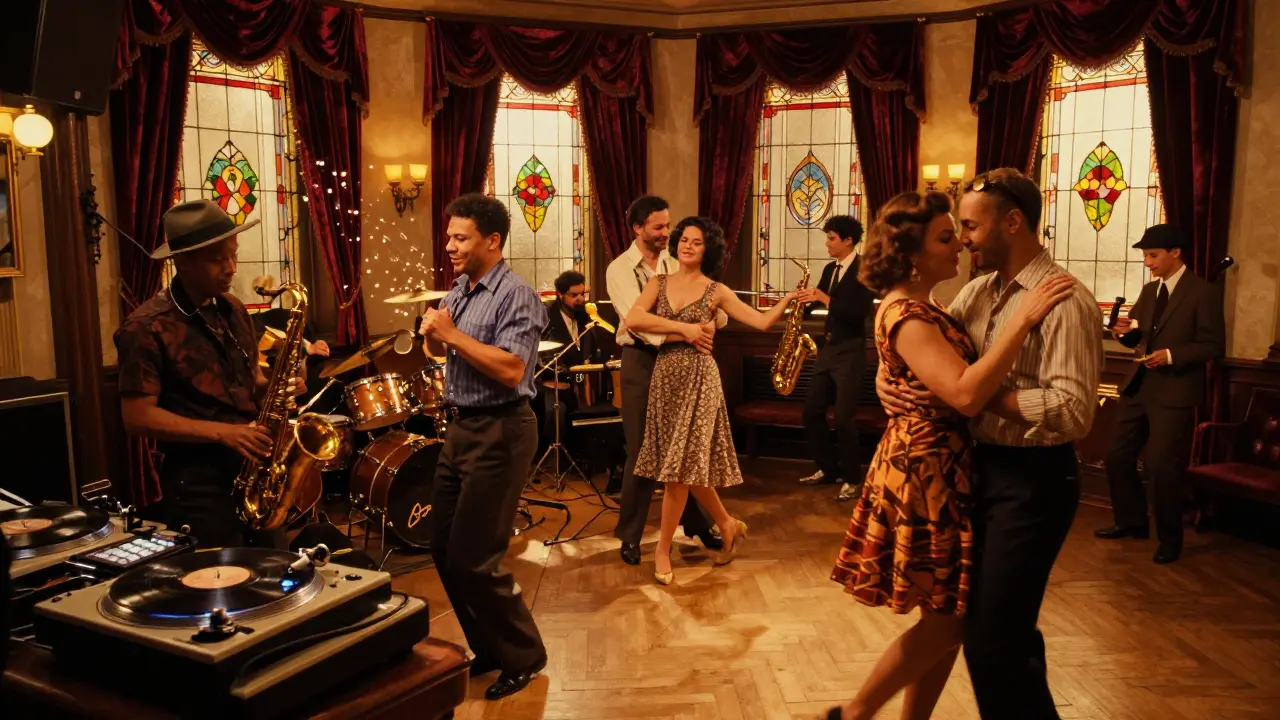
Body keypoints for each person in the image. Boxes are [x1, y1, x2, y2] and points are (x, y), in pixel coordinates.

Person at [824, 192, 1074, 720]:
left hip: (944, 464)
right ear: (912, 254)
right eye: (945, 236)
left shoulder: (932, 304)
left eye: (960, 230)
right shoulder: (909, 311)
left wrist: (886, 376)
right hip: (925, 472)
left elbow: (922, 367)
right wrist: (1021, 322)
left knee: (950, 614)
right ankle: (854, 715)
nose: (959, 242)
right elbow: (962, 393)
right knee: (947, 621)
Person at [875, 168, 1102, 719]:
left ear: (1014, 221)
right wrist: (886, 380)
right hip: (979, 471)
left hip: (1034, 482)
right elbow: (924, 350)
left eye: (971, 227)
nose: (966, 239)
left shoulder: (1064, 301)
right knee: (990, 628)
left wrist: (981, 397)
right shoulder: (977, 293)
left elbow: (1074, 414)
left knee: (992, 639)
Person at [417, 193, 548, 701]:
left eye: (460, 237)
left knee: (476, 556)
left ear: (492, 241)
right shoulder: (460, 290)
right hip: (462, 427)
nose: (449, 245)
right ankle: (489, 647)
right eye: (449, 236)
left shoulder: (516, 295)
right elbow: (443, 351)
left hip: (502, 429)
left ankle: (525, 655)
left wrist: (451, 335)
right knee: (443, 549)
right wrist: (433, 335)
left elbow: (513, 369)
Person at [115, 200, 303, 549]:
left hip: (256, 475)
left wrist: (277, 390)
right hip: (197, 484)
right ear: (183, 261)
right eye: (218, 259)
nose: (231, 268)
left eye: (233, 255)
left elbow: (252, 385)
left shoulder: (233, 309)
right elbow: (137, 417)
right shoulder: (145, 327)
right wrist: (223, 434)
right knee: (219, 585)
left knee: (276, 581)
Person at [627, 216, 800, 585]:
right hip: (665, 378)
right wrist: (685, 329)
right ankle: (727, 523)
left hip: (700, 380)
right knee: (684, 465)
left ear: (709, 250)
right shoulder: (658, 282)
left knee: (678, 471)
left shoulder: (716, 290)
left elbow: (762, 322)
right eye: (684, 239)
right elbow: (633, 320)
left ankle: (662, 548)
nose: (688, 245)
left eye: (697, 242)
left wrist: (786, 299)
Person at [1096, 223, 1225, 564]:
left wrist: (1170, 356)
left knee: (1160, 464)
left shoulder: (1203, 292)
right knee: (1116, 455)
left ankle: (1171, 540)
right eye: (1145, 256)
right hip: (1139, 385)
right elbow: (1137, 337)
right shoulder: (1150, 292)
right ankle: (1132, 522)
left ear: (1175, 253)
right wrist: (1123, 332)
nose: (1148, 262)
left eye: (1152, 255)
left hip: (1176, 389)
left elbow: (1213, 346)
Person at [606, 195, 723, 566]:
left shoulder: (678, 260)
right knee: (643, 451)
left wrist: (702, 323)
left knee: (684, 451)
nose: (666, 233)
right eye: (658, 226)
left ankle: (698, 525)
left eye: (667, 225)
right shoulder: (618, 269)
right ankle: (631, 535)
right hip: (641, 361)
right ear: (638, 228)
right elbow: (636, 323)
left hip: (685, 363)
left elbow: (716, 316)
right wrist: (688, 328)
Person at [795, 215, 877, 501]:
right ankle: (828, 469)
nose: (827, 244)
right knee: (811, 411)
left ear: (848, 241)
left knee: (843, 417)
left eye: (831, 238)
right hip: (828, 349)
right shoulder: (830, 269)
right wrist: (798, 304)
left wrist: (824, 298)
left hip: (852, 350)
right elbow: (816, 303)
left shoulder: (866, 269)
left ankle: (853, 479)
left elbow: (857, 313)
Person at [533, 270, 595, 459]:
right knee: (555, 413)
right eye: (574, 295)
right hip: (550, 385)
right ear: (560, 295)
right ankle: (553, 459)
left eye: (582, 294)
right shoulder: (546, 318)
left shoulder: (587, 317)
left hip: (581, 385)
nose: (580, 299)